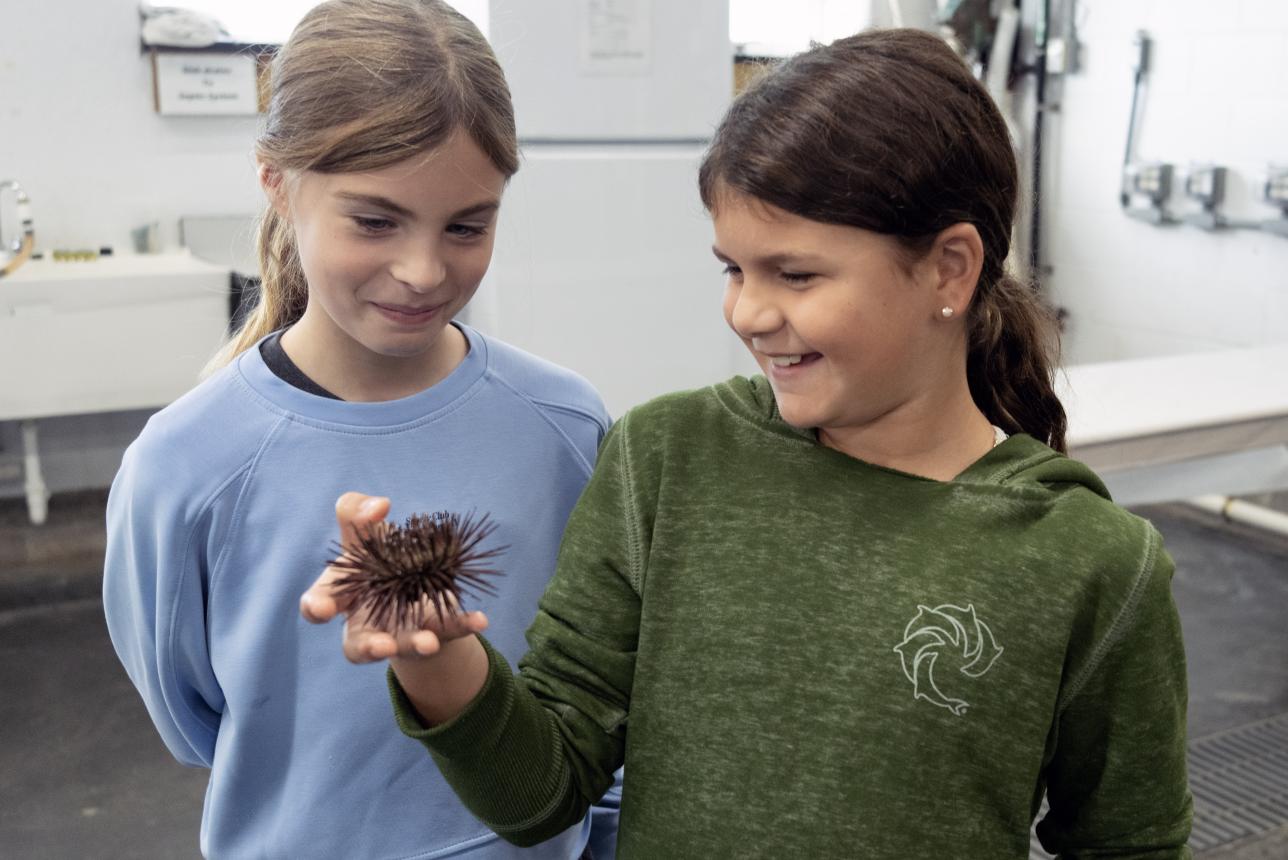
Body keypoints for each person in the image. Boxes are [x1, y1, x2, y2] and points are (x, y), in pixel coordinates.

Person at [304, 28, 1192, 858]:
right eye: (733, 268)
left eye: (795, 274)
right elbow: (542, 792)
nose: (748, 313)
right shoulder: (664, 461)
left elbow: (1130, 843)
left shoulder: (1090, 562)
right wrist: (438, 657)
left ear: (949, 268)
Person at [102, 2, 622, 857]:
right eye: (374, 221)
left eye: (467, 225)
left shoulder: (565, 424)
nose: (423, 271)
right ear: (276, 179)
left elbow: (595, 697)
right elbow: (192, 720)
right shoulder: (186, 465)